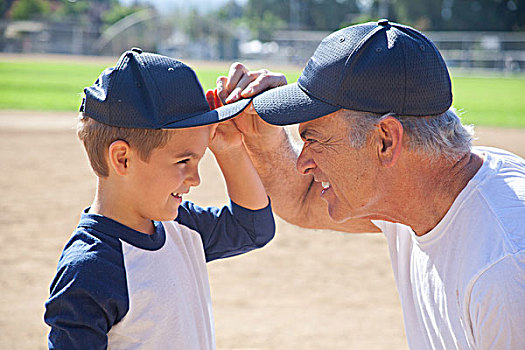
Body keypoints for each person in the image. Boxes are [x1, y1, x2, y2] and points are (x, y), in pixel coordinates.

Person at [209, 20, 525, 349]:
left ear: (386, 141)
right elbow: (301, 201)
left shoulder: (505, 270)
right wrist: (262, 136)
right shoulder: (417, 186)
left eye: (314, 140)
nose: (303, 162)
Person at [44, 48, 275, 349]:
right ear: (122, 159)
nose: (196, 179)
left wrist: (229, 148)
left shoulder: (182, 225)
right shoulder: (90, 269)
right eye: (183, 162)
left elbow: (253, 228)